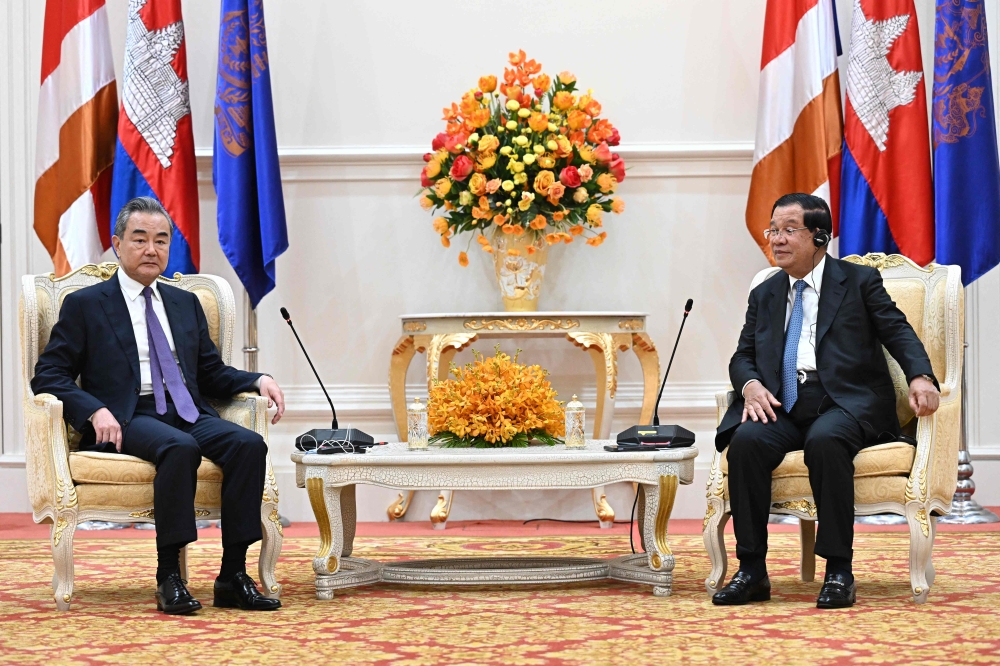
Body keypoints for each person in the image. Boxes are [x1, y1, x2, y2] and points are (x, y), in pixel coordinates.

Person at [32, 197, 286, 615]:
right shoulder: (86, 304)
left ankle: (232, 576)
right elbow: (49, 374)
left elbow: (210, 374)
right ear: (117, 244)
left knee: (248, 445)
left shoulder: (184, 303)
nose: (152, 250)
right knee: (178, 448)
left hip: (188, 411)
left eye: (161, 240)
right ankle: (170, 576)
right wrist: (94, 410)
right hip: (129, 416)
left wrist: (258, 379)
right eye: (140, 239)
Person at [712, 193, 940, 609]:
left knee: (826, 440)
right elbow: (743, 355)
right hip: (781, 401)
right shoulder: (765, 293)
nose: (776, 240)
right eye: (773, 230)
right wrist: (749, 386)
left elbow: (898, 332)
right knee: (745, 442)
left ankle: (838, 570)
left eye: (787, 231)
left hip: (844, 401)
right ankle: (752, 571)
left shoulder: (858, 281)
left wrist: (921, 376)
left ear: (819, 236)